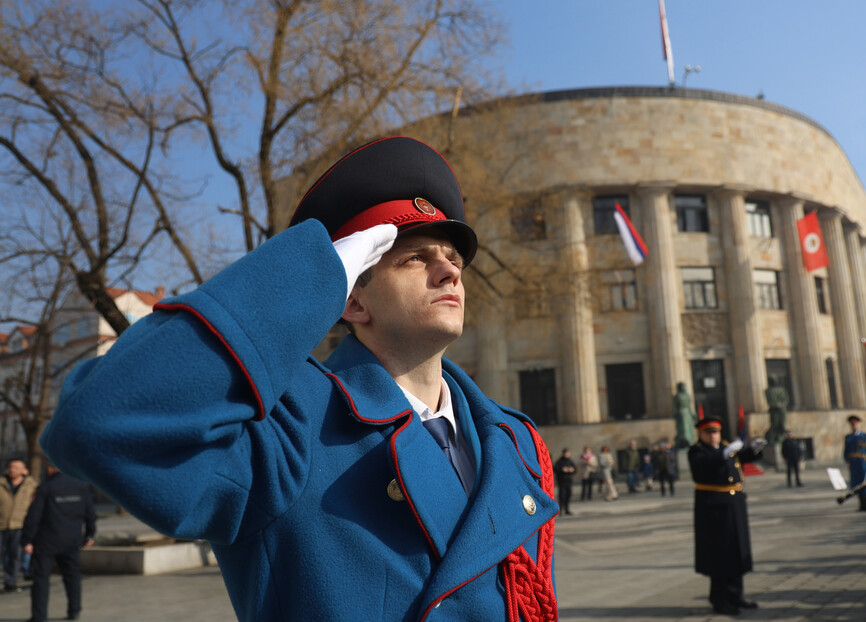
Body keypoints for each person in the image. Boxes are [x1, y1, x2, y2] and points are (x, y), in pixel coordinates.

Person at [39, 137, 559, 622]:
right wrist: (312, 274)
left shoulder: (513, 440)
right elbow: (99, 423)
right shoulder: (291, 423)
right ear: (352, 299)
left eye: (452, 258)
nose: (448, 272)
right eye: (415, 258)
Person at [688, 417, 765, 616]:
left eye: (716, 432)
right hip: (714, 507)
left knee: (737, 549)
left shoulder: (725, 448)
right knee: (720, 553)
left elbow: (743, 458)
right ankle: (720, 599)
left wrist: (755, 449)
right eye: (709, 432)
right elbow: (702, 469)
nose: (713, 436)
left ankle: (736, 595)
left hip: (734, 503)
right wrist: (724, 453)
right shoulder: (697, 451)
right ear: (701, 434)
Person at [21, 463, 96, 622]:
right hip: (72, 540)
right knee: (73, 577)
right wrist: (90, 535)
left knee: (41, 579)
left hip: (46, 542)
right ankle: (74, 610)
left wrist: (27, 539)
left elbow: (34, 516)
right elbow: (90, 513)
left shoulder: (47, 487)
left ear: (51, 468)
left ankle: (39, 616)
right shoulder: (81, 487)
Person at [0, 459, 37, 593]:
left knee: (15, 555)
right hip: (2, 524)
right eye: (10, 467)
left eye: (16, 468)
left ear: (23, 470)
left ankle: (10, 581)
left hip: (20, 525)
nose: (12, 470)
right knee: (4, 555)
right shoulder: (2, 483)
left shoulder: (31, 485)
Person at [844, 415, 866, 511]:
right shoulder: (848, 438)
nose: (854, 426)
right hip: (854, 465)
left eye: (855, 424)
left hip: (864, 464)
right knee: (857, 485)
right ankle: (862, 505)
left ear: (859, 424)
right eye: (852, 424)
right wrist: (847, 461)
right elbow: (846, 452)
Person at [764, 378, 789, 445]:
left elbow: (785, 399)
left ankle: (780, 438)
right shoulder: (768, 391)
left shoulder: (782, 390)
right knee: (774, 424)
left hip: (782, 409)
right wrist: (776, 405)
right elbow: (770, 401)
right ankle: (771, 438)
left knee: (781, 425)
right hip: (774, 410)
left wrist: (781, 405)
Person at [553, 449, 576, 516]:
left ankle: (567, 509)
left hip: (569, 480)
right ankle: (561, 510)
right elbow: (555, 469)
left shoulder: (570, 461)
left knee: (568, 495)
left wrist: (572, 470)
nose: (567, 454)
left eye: (568, 453)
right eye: (566, 453)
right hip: (562, 481)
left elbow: (575, 469)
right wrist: (562, 470)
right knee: (562, 496)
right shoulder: (560, 461)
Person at [673, 382, 696, 448]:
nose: (683, 387)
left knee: (689, 428)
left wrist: (692, 414)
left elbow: (689, 406)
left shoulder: (687, 395)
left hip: (688, 413)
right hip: (681, 413)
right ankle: (684, 442)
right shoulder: (677, 396)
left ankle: (690, 441)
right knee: (683, 429)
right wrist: (676, 414)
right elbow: (675, 407)